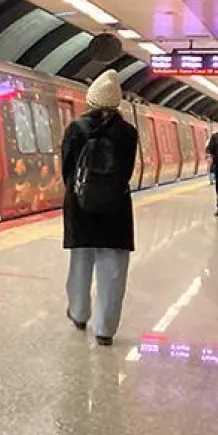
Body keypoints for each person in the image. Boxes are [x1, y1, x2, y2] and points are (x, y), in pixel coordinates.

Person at [60, 69, 139, 346]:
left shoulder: (75, 129)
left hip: (80, 206)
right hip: (116, 208)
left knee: (80, 262)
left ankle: (79, 313)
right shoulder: (128, 133)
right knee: (113, 268)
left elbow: (67, 170)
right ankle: (105, 329)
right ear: (117, 103)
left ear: (90, 100)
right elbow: (126, 172)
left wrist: (79, 192)